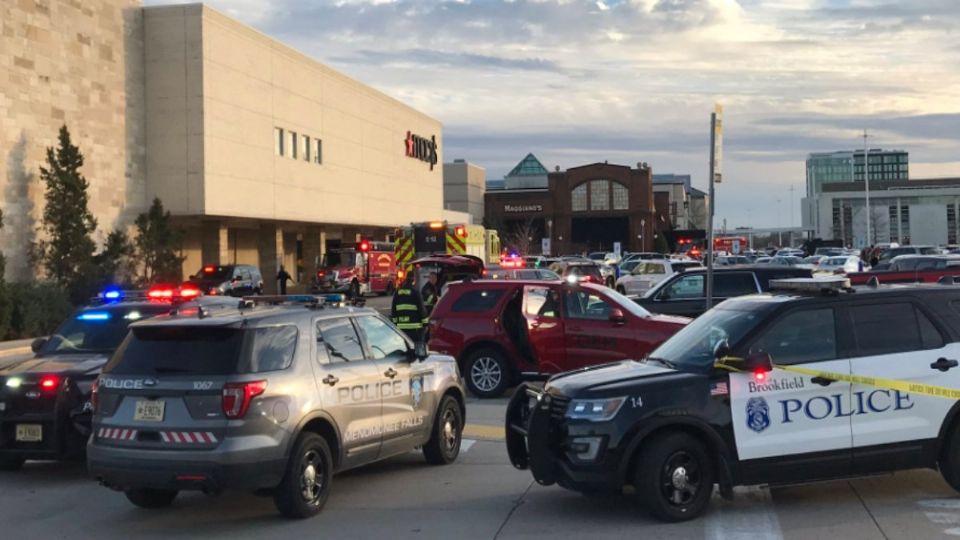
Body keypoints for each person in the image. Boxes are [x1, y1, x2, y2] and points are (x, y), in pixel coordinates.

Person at [391, 273, 426, 343]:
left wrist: (396, 324)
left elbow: (393, 310)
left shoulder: (397, 292)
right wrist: (425, 324)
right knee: (417, 349)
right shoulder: (415, 292)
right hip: (415, 329)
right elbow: (421, 309)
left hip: (401, 329)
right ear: (413, 280)